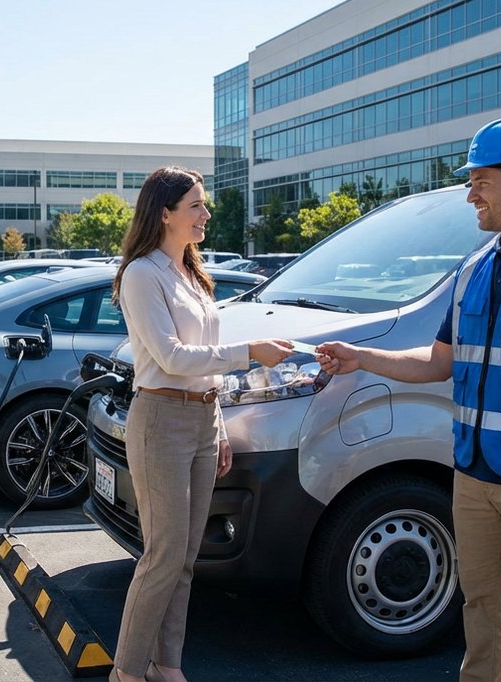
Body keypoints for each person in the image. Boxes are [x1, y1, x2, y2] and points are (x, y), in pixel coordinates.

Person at [315, 118, 501, 682]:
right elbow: (439, 362)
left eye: (481, 181)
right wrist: (361, 357)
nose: (470, 194)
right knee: (481, 606)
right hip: (474, 474)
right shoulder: (473, 269)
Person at [109, 166, 293, 682]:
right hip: (161, 420)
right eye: (196, 205)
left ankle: (166, 666)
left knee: (186, 559)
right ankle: (126, 672)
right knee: (163, 557)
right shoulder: (142, 274)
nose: (206, 214)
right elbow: (171, 357)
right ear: (165, 213)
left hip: (201, 419)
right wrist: (249, 352)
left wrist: (218, 425)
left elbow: (202, 362)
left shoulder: (191, 272)